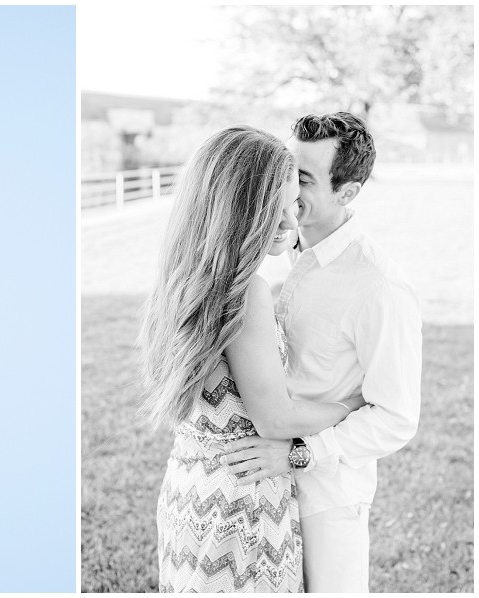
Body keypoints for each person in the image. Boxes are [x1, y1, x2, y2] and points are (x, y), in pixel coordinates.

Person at [139, 125, 365, 593]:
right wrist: (352, 405)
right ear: (238, 212)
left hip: (190, 491)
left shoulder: (181, 283)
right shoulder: (246, 295)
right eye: (273, 208)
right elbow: (276, 419)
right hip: (243, 507)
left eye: (291, 203)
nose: (289, 220)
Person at [221, 112, 422, 592]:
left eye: (304, 179)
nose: (287, 187)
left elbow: (396, 417)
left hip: (327, 496)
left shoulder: (377, 286)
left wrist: (300, 455)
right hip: (258, 485)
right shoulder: (275, 249)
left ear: (348, 193)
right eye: (288, 170)